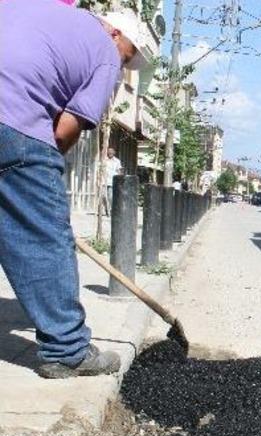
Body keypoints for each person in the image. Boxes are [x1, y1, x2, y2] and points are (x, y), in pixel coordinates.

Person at [0, 0, 148, 378]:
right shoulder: (104, 54)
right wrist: (39, 181)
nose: (124, 65)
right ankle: (67, 350)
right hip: (11, 116)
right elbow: (66, 128)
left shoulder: (29, 7)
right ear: (113, 32)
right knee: (42, 236)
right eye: (127, 56)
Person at [102, 147, 123, 216]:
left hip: (112, 181)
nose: (110, 153)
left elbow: (119, 170)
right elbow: (100, 169)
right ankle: (107, 209)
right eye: (109, 152)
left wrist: (120, 179)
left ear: (114, 153)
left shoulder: (117, 161)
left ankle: (110, 210)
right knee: (104, 196)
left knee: (110, 197)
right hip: (104, 180)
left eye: (111, 152)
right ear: (107, 153)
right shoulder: (104, 160)